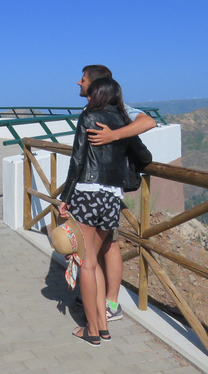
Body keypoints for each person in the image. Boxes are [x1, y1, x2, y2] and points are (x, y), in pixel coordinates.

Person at [59, 77, 152, 345]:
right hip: (112, 197)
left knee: (86, 264)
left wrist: (65, 197)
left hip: (87, 193)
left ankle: (92, 330)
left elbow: (77, 159)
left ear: (97, 93)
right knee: (95, 260)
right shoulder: (124, 121)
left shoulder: (89, 116)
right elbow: (144, 157)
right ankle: (102, 325)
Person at [79, 64, 155, 321]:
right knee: (99, 247)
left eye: (83, 79)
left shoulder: (121, 109)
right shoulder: (92, 109)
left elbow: (148, 121)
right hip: (102, 188)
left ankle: (110, 304)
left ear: (96, 84)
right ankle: (98, 298)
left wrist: (114, 136)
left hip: (106, 188)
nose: (79, 83)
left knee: (108, 245)